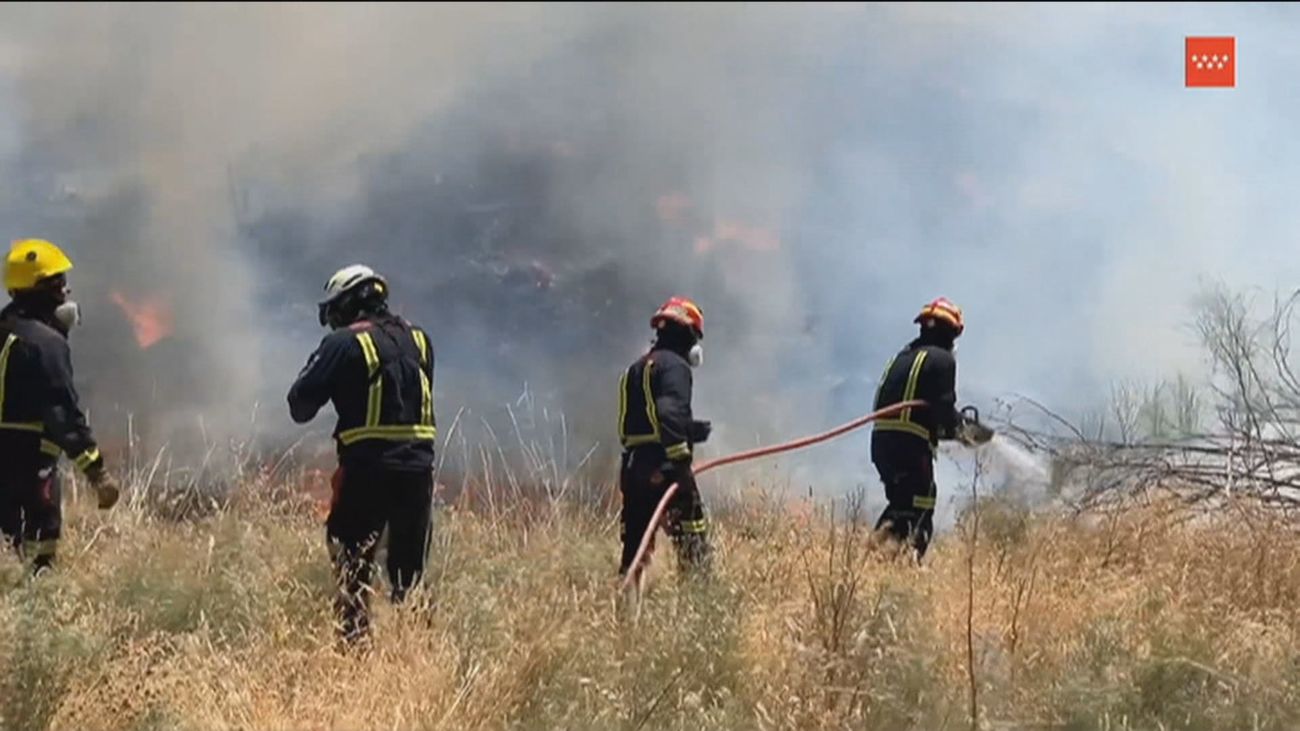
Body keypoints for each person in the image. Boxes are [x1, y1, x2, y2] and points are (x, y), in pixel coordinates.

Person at [287, 264, 437, 645]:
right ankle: (416, 653)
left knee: (351, 567)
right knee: (409, 575)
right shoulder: (420, 340)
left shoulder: (343, 343)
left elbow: (299, 405)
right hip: (418, 474)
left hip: (367, 472)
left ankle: (354, 649)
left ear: (348, 304)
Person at [0, 238, 119, 576]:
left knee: (6, 543)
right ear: (43, 289)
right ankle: (37, 594)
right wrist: (96, 472)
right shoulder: (46, 344)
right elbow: (63, 414)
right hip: (27, 462)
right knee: (38, 545)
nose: (66, 291)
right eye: (59, 283)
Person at [869, 296, 978, 561]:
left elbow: (924, 410)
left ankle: (874, 560)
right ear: (952, 332)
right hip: (909, 446)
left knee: (901, 504)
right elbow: (943, 414)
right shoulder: (942, 360)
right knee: (920, 505)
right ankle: (903, 565)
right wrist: (966, 431)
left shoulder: (903, 357)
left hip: (882, 444)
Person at [617, 296, 713, 585]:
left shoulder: (637, 368)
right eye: (695, 337)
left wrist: (690, 430)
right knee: (692, 539)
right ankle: (698, 596)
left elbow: (637, 424)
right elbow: (669, 411)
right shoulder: (676, 367)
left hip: (633, 468)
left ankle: (625, 604)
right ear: (687, 335)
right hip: (664, 467)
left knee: (634, 550)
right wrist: (680, 463)